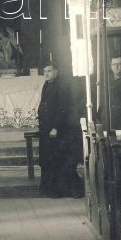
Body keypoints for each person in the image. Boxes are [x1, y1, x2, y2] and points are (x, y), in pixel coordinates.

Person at [37, 62, 83, 198]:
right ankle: (50, 189)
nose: (46, 74)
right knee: (49, 159)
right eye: (45, 71)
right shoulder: (47, 85)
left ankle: (65, 190)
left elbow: (63, 108)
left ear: (56, 71)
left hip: (58, 130)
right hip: (47, 129)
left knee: (60, 160)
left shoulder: (62, 85)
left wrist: (56, 127)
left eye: (49, 71)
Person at [96, 56, 121, 130]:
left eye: (119, 64)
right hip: (108, 118)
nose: (116, 67)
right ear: (111, 66)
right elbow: (103, 100)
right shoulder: (107, 80)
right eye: (114, 64)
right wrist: (99, 116)